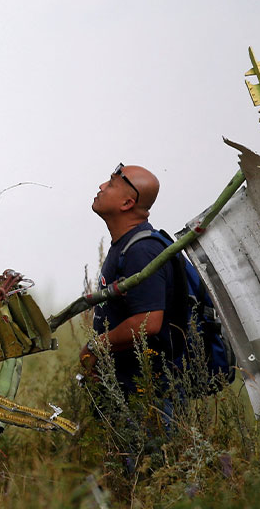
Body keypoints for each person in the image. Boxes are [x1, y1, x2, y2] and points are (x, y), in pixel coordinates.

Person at [78, 163, 186, 396]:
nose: (101, 186)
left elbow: (148, 321)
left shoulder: (142, 250)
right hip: (127, 387)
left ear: (127, 203)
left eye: (111, 183)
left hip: (148, 393)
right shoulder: (126, 246)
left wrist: (95, 346)